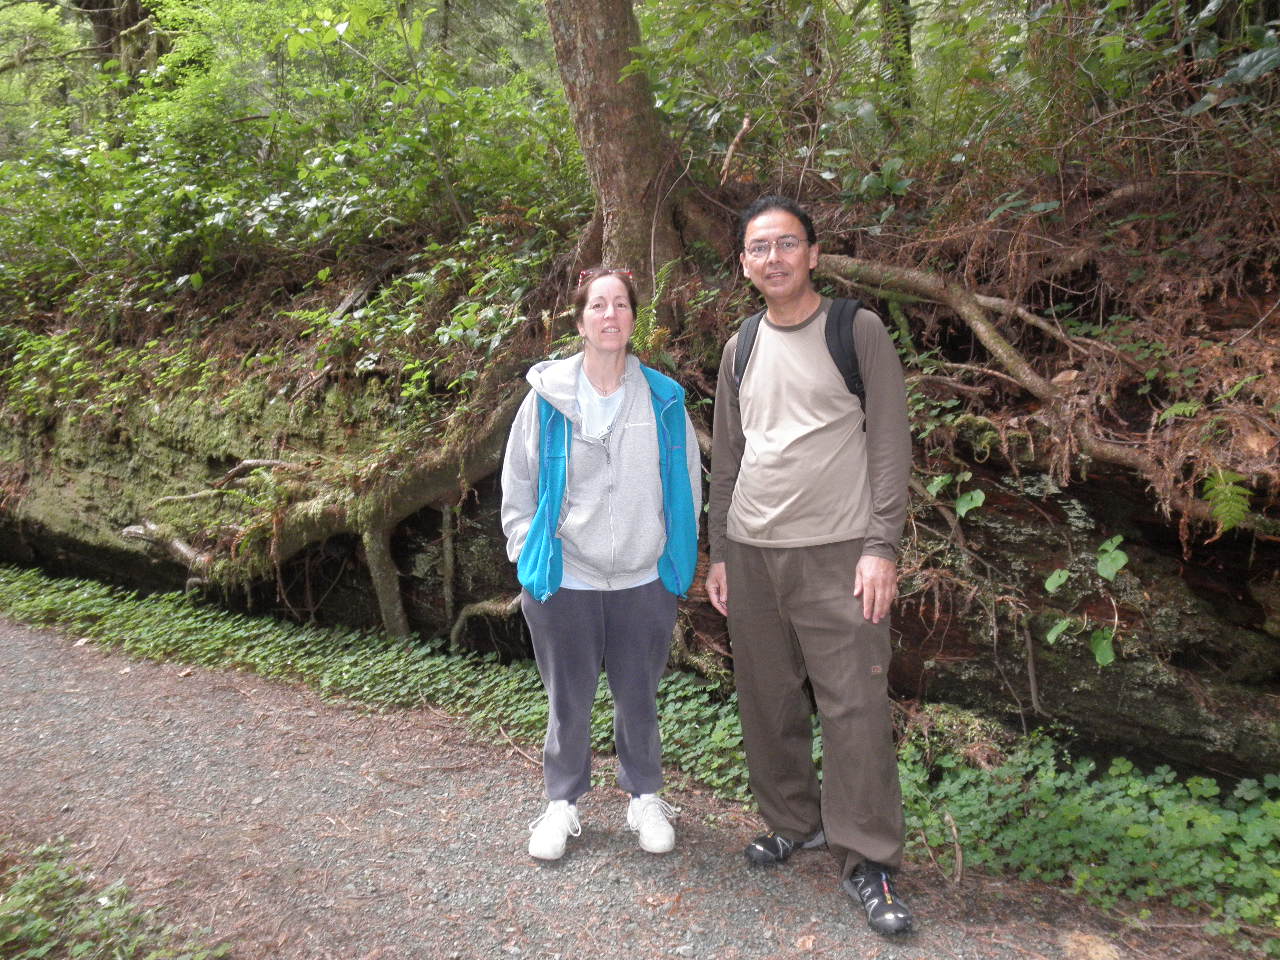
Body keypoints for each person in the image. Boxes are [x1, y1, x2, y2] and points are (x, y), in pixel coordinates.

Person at [705, 196, 914, 935]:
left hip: (839, 551)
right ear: (744, 264)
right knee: (767, 699)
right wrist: (720, 550)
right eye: (760, 248)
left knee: (854, 708)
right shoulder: (741, 346)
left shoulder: (855, 330)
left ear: (814, 254)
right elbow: (728, 455)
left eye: (787, 244)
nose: (775, 258)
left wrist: (881, 547)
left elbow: (889, 442)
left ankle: (869, 860)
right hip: (752, 553)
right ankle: (794, 821)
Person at [501, 266, 701, 862]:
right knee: (568, 700)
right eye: (598, 305)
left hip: (643, 575)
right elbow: (518, 480)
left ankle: (645, 796)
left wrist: (671, 550)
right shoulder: (546, 399)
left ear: (634, 318)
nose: (610, 315)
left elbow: (687, 482)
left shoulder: (663, 399)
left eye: (620, 304)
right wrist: (525, 546)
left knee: (639, 695)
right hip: (566, 576)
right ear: (581, 319)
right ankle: (562, 802)